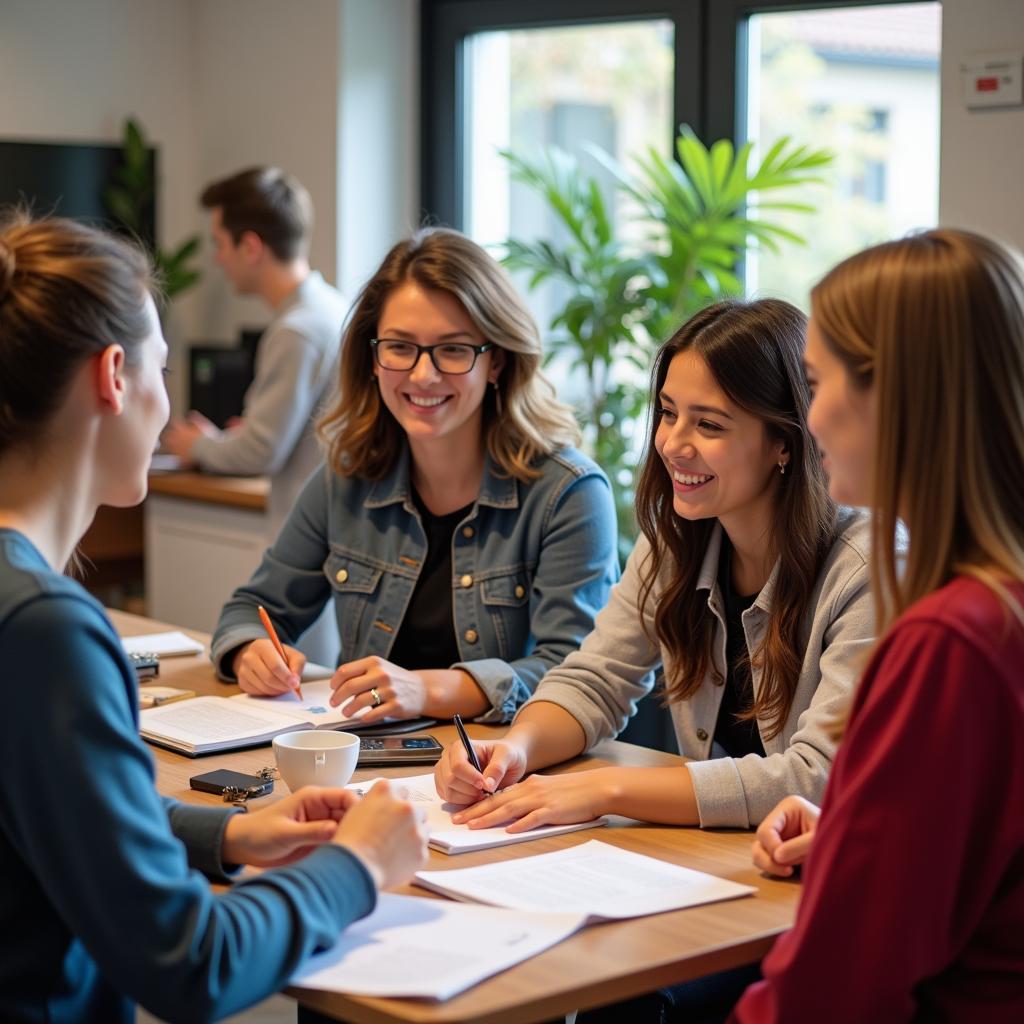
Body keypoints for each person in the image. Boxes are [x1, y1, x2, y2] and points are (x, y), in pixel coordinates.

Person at [0, 213, 428, 1023]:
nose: (170, 407)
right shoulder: (45, 629)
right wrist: (359, 868)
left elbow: (52, 806)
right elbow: (191, 961)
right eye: (163, 371)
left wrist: (232, 836)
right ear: (115, 375)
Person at [436, 298, 877, 830]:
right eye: (668, 413)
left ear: (783, 443)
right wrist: (513, 751)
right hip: (727, 857)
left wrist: (605, 789)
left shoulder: (866, 569)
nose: (671, 444)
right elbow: (597, 679)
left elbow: (818, 778)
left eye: (709, 425)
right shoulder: (679, 534)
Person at [733, 229, 1024, 1022]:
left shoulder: (952, 641)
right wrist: (851, 834)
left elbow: (834, 988)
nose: (810, 415)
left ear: (899, 397)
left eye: (819, 382)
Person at [210, 227, 618, 725]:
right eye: (400, 347)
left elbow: (574, 673)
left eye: (452, 350)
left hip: (505, 771)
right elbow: (253, 607)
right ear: (373, 358)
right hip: (364, 763)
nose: (423, 376)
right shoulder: (345, 476)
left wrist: (430, 689)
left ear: (497, 363)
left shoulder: (568, 494)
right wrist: (251, 652)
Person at [163, 166, 348, 535]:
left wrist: (196, 446)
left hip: (308, 541)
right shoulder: (333, 307)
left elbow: (260, 452)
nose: (217, 259)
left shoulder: (297, 330)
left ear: (250, 247)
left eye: (219, 243)